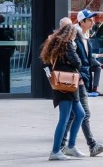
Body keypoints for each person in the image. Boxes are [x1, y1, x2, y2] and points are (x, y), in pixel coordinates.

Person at [59, 10, 103, 157]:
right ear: (82, 22)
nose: (93, 22)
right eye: (89, 20)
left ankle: (62, 146)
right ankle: (91, 145)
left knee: (73, 115)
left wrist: (100, 66)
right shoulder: (75, 36)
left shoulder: (86, 36)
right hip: (77, 80)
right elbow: (74, 59)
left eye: (92, 19)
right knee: (83, 113)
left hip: (82, 79)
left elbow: (87, 58)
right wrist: (80, 75)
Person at [41, 24, 85, 161]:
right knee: (64, 118)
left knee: (80, 114)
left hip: (65, 86)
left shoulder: (57, 44)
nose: (75, 37)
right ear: (71, 34)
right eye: (74, 35)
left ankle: (70, 146)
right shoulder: (67, 44)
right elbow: (78, 63)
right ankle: (55, 151)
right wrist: (75, 49)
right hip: (66, 86)